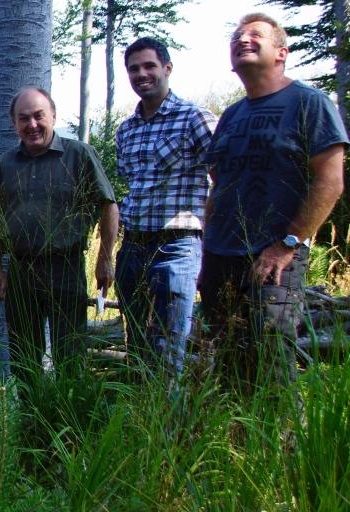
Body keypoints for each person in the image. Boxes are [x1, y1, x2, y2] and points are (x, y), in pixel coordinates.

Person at [201, 13, 346, 396]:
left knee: (271, 360)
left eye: (255, 34)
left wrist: (287, 245)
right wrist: (206, 252)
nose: (243, 39)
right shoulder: (231, 115)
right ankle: (234, 444)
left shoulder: (308, 103)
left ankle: (279, 448)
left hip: (274, 257)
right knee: (228, 358)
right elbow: (220, 184)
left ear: (282, 52)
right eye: (237, 36)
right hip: (220, 255)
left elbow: (330, 181)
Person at [0, 87, 119, 383]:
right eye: (23, 119)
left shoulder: (79, 155)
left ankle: (69, 423)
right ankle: (32, 420)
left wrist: (106, 259)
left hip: (65, 267)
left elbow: (109, 206)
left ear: (53, 116)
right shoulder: (6, 164)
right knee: (23, 357)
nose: (32, 124)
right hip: (20, 270)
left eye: (38, 116)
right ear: (14, 124)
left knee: (69, 352)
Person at [114, 37, 216, 378]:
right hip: (132, 246)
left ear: (167, 69)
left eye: (149, 66)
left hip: (177, 245)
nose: (141, 74)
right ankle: (140, 421)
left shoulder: (195, 118)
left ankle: (169, 425)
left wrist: (210, 243)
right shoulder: (126, 130)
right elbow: (130, 185)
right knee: (137, 341)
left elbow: (224, 177)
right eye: (134, 69)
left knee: (168, 344)